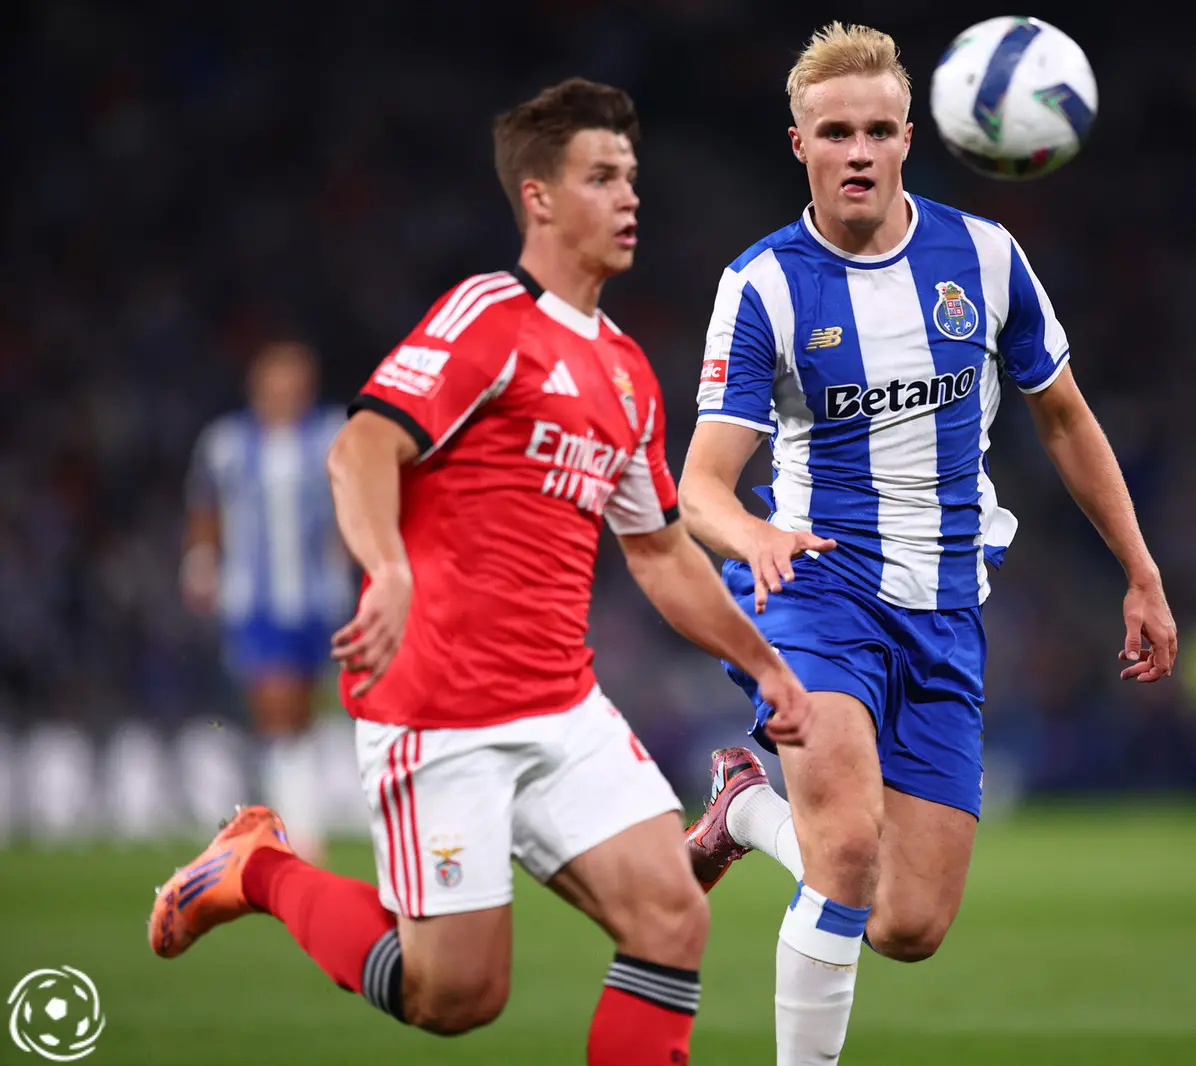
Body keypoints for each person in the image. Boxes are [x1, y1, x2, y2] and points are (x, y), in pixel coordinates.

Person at [150, 77, 810, 1064]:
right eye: (601, 177)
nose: (629, 196)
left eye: (631, 176)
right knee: (456, 995)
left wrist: (761, 662)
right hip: (440, 709)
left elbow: (659, 550)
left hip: (562, 704)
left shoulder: (626, 370)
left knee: (673, 913)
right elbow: (361, 447)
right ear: (538, 197)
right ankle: (258, 868)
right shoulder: (488, 317)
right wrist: (388, 568)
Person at [680, 23, 1178, 1065]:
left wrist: (1140, 569)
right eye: (834, 133)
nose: (857, 151)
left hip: (945, 605)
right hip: (814, 593)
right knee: (846, 848)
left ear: (911, 135)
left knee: (908, 923)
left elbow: (1064, 418)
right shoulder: (764, 285)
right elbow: (701, 487)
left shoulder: (986, 259)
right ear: (799, 145)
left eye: (877, 130)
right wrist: (756, 535)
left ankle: (745, 808)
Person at [183, 340, 351, 861]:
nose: (285, 392)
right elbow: (205, 505)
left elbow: (355, 498)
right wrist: (201, 561)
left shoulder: (331, 434)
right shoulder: (227, 443)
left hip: (319, 597)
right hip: (255, 600)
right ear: (256, 386)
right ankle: (298, 830)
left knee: (302, 711)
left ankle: (282, 813)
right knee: (274, 705)